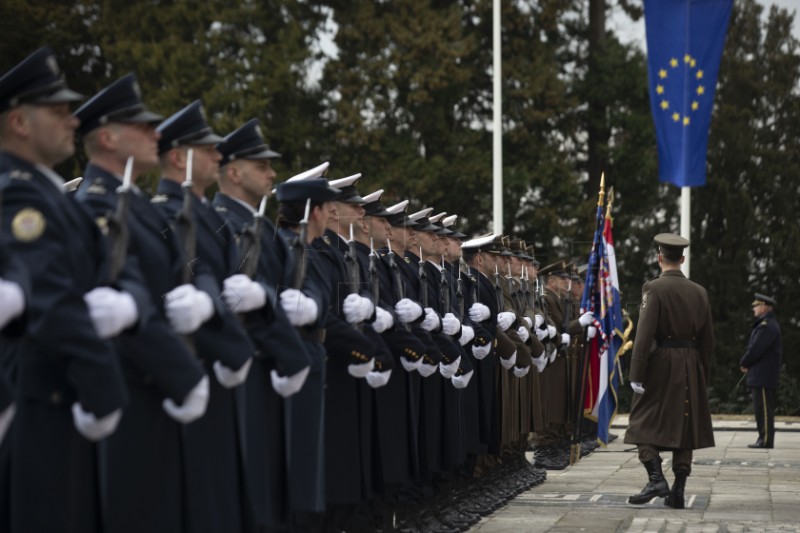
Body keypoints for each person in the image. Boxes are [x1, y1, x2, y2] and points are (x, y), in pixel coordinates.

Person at [73, 73, 209, 533]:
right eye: (144, 126)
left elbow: (171, 280)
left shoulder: (137, 205)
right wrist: (183, 374)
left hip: (157, 384)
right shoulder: (97, 205)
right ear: (108, 138)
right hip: (128, 385)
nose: (156, 133)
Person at [0, 47, 129, 533]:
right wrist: (105, 390)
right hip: (40, 404)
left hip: (61, 399)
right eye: (57, 112)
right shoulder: (17, 192)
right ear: (19, 122)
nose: (73, 121)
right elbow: (51, 298)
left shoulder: (48, 191)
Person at [624, 233, 714, 510]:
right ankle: (678, 491)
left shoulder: (654, 288)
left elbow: (644, 334)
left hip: (662, 362)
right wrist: (702, 375)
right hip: (691, 362)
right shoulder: (699, 291)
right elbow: (708, 340)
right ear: (683, 259)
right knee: (684, 425)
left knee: (641, 423)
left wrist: (636, 373)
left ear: (659, 257)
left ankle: (656, 479)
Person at [740, 293, 782, 449]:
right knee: (761, 409)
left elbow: (756, 349)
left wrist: (744, 362)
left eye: (756, 306)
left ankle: (765, 440)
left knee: (764, 409)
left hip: (763, 375)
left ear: (764, 307)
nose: (753, 309)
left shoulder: (767, 326)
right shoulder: (765, 324)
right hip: (761, 374)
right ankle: (763, 438)